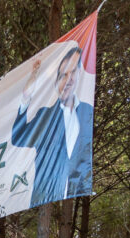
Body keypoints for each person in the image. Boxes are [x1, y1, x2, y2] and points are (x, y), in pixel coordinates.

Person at [12, 44, 94, 208]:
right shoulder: (46, 116)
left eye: (72, 73)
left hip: (75, 198)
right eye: (63, 75)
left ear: (79, 74)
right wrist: (26, 97)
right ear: (57, 81)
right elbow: (18, 137)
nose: (69, 79)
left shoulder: (87, 112)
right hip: (45, 199)